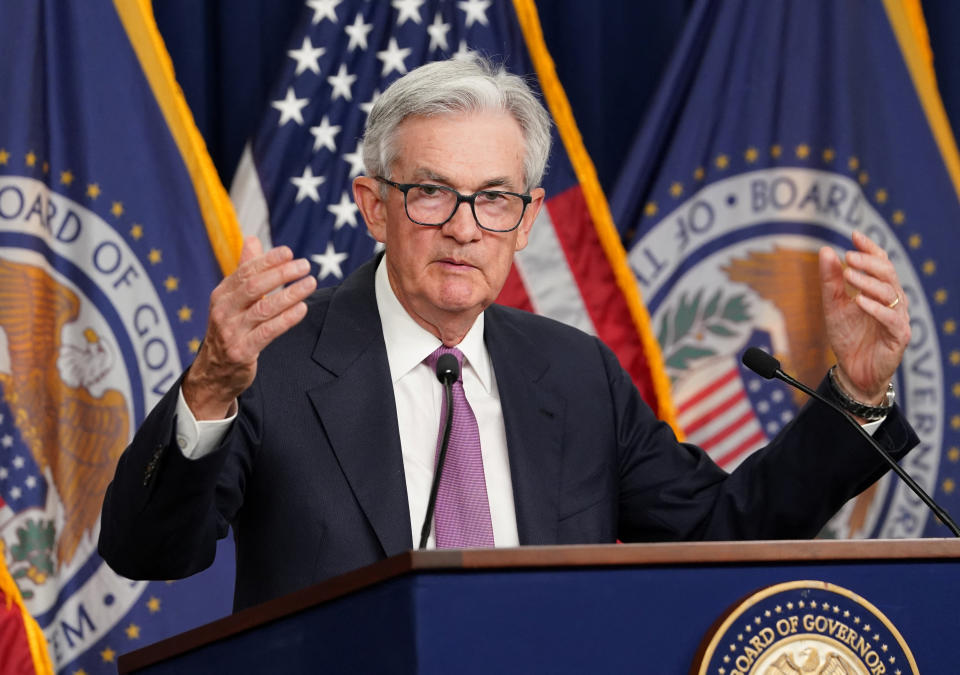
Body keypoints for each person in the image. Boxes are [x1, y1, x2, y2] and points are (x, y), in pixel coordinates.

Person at [99, 57, 917, 612]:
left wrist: (859, 392)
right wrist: (207, 388)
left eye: (494, 198)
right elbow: (150, 551)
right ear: (373, 205)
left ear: (526, 221)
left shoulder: (573, 372)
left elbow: (722, 529)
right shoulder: (272, 365)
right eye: (431, 192)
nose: (464, 227)